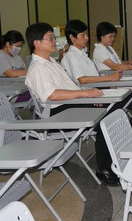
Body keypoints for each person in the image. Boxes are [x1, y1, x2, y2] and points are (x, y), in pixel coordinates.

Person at [25, 22, 118, 185]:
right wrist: (84, 93)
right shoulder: (38, 68)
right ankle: (104, 169)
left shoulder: (51, 62)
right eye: (49, 38)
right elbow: (52, 95)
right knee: (106, 121)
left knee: (112, 112)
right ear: (36, 43)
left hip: (69, 105)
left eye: (53, 37)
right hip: (58, 113)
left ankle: (114, 161)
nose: (54, 41)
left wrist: (87, 96)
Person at [61, 20, 132, 145]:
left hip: (99, 90)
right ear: (72, 37)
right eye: (83, 35)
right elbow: (82, 80)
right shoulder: (71, 56)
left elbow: (94, 76)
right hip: (91, 97)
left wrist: (108, 83)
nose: (87, 38)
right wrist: (109, 79)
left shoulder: (82, 54)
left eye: (86, 34)